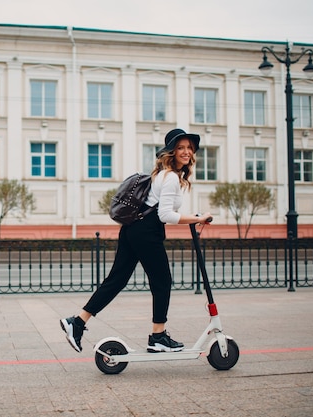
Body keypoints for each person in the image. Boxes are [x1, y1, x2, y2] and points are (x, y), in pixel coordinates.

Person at [60, 128, 213, 353]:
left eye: (189, 148)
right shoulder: (170, 177)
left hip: (132, 229)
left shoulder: (164, 175)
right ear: (171, 151)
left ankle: (77, 322)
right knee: (162, 281)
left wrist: (192, 218)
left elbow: (162, 208)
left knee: (117, 279)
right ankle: (158, 336)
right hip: (146, 232)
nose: (186, 151)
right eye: (180, 147)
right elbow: (166, 216)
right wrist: (198, 218)